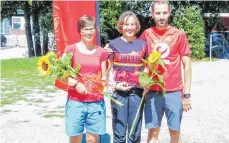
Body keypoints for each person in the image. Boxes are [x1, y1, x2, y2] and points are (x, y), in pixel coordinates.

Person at [140, 0, 192, 143]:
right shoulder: (146, 34)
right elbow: (141, 61)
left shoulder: (179, 35)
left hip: (174, 92)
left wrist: (186, 94)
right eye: (158, 13)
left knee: (175, 132)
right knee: (153, 132)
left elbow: (187, 64)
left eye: (164, 13)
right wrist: (143, 82)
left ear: (169, 13)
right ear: (152, 15)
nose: (161, 16)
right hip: (153, 91)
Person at [64, 15, 108, 143]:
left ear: (95, 30)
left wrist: (106, 84)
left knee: (92, 140)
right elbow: (61, 76)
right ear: (80, 30)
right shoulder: (70, 50)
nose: (89, 32)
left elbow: (104, 77)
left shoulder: (101, 52)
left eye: (91, 29)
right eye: (85, 29)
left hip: (96, 102)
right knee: (75, 140)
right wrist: (76, 83)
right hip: (75, 102)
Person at [105, 11, 148, 143]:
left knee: (134, 133)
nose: (129, 27)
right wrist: (113, 86)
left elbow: (147, 66)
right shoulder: (113, 45)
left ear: (137, 26)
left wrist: (146, 83)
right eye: (126, 24)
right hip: (119, 93)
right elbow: (107, 69)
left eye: (132, 24)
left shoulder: (143, 44)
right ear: (121, 26)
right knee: (119, 133)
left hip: (137, 92)